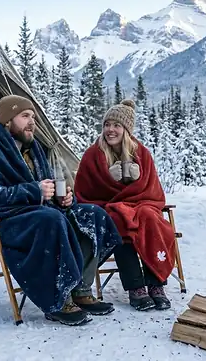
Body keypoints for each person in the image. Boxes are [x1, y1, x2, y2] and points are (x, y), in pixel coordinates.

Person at [0, 94, 122, 326]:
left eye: (33, 117)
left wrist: (62, 198)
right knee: (50, 219)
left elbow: (44, 190)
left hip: (36, 215)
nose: (32, 122)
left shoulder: (33, 148)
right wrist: (34, 191)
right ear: (7, 120)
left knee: (92, 215)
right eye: (25, 116)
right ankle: (59, 298)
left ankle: (81, 289)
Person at [74, 99, 176, 311]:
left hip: (142, 204)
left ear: (126, 130)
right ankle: (136, 288)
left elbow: (153, 190)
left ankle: (156, 284)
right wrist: (108, 178)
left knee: (149, 216)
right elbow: (83, 192)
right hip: (110, 207)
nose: (110, 130)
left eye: (116, 125)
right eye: (107, 125)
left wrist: (136, 181)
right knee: (119, 219)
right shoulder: (93, 155)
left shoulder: (142, 154)